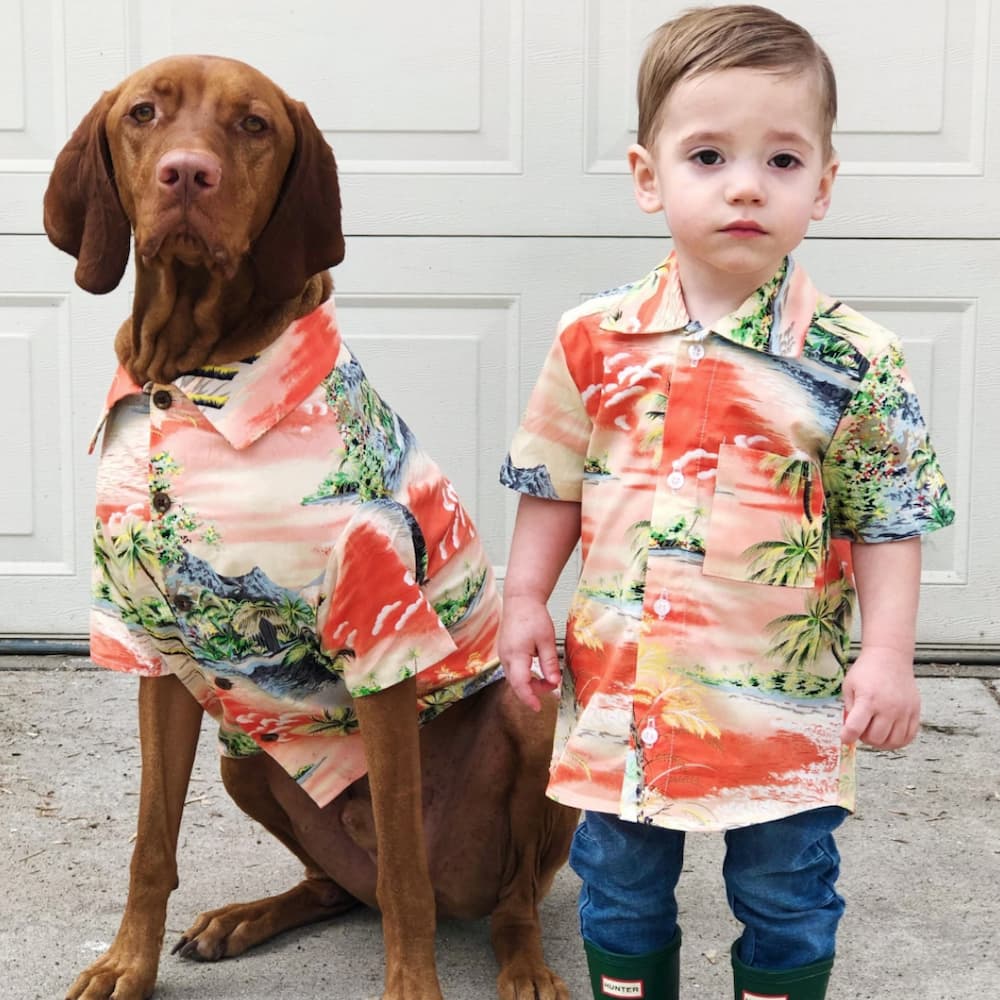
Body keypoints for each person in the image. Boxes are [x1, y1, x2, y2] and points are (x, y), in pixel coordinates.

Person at [497, 5, 955, 999]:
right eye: (707, 155)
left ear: (822, 185)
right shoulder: (592, 341)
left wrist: (886, 655)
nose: (745, 183)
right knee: (617, 889)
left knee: (787, 890)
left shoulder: (853, 363)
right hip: (623, 693)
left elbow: (887, 518)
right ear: (646, 175)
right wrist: (525, 598)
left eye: (781, 161)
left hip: (781, 706)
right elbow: (551, 486)